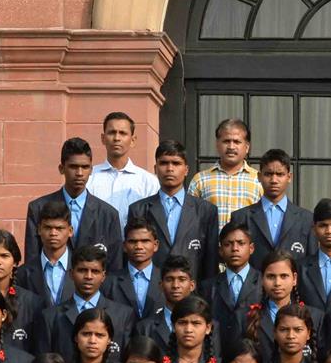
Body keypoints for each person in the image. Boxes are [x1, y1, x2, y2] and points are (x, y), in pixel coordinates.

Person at [23, 137, 122, 272]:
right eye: (73, 167)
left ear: (91, 170)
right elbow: (32, 264)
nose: (80, 173)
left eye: (85, 167)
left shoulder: (108, 214)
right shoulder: (38, 208)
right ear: (61, 168)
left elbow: (114, 269)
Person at [129, 139, 219, 284]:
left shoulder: (206, 210)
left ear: (186, 170)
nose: (170, 169)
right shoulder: (139, 209)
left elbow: (211, 261)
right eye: (164, 163)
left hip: (193, 293)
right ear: (155, 168)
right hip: (151, 291)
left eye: (176, 163)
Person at [34, 245, 135, 363]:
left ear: (103, 276)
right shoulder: (51, 317)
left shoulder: (122, 315)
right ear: (71, 274)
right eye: (82, 270)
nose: (88, 276)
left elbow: (127, 362)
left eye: (95, 271)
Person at [231, 148, 313, 270]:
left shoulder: (306, 218)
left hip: (294, 287)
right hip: (252, 287)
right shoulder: (241, 217)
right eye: (268, 174)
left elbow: (311, 263)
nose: (274, 180)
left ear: (289, 177)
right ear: (259, 176)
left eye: (280, 174)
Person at [187, 117, 262, 227]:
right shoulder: (200, 180)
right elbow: (189, 219)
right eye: (226, 141)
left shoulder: (259, 180)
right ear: (217, 145)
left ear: (246, 147)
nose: (231, 147)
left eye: (237, 142)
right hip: (209, 244)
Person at [86, 111, 158, 225]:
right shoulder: (89, 177)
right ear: (103, 138)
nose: (116, 138)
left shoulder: (149, 182)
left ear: (133, 140)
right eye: (112, 132)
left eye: (123, 133)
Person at [204, 222, 261, 345]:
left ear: (251, 248)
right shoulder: (208, 287)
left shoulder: (263, 283)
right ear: (220, 250)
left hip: (255, 355)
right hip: (218, 355)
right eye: (228, 244)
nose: (235, 248)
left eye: (241, 243)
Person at [135, 254, 202, 355]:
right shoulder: (145, 328)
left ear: (192, 285)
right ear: (161, 285)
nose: (175, 285)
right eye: (169, 279)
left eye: (182, 279)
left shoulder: (207, 327)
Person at [17, 201, 78, 310]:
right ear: (39, 229)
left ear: (70, 231)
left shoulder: (83, 270)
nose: (53, 233)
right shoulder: (22, 274)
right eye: (48, 228)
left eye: (59, 228)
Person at [107, 215, 165, 322]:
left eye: (145, 241)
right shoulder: (109, 282)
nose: (139, 246)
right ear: (124, 246)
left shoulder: (167, 280)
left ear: (155, 245)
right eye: (133, 241)